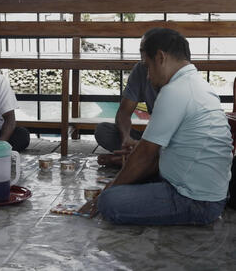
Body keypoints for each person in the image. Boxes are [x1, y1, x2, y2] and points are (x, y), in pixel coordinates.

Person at [80, 28, 233, 225]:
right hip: (207, 193)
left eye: (148, 66)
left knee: (110, 201)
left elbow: (146, 155)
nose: (147, 76)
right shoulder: (196, 84)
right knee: (132, 175)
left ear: (160, 57)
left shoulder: (174, 90)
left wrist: (108, 192)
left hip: (195, 200)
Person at [94, 29, 160, 166]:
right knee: (103, 131)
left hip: (169, 141)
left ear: (160, 56)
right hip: (150, 139)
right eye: (140, 50)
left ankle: (134, 160)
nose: (142, 56)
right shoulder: (140, 69)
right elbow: (124, 112)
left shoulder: (178, 82)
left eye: (144, 50)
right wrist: (126, 139)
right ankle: (136, 157)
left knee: (171, 149)